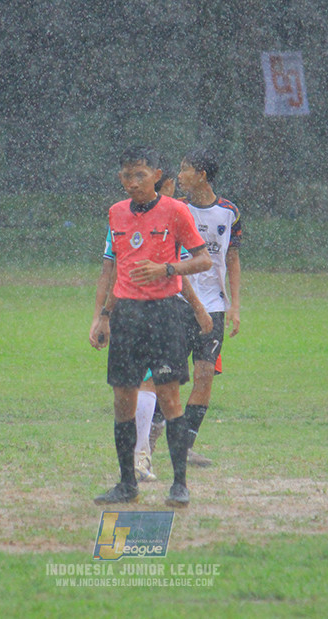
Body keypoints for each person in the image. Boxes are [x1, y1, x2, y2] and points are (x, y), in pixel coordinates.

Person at [89, 145, 211, 507]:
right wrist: (105, 317)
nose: (132, 182)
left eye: (140, 174)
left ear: (158, 175)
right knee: (122, 400)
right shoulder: (115, 214)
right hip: (126, 314)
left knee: (169, 397)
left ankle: (179, 484)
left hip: (164, 314)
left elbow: (203, 260)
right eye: (126, 175)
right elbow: (118, 269)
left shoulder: (176, 211)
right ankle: (127, 483)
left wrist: (168, 269)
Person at [175, 147, 242, 467]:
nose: (179, 175)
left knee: (203, 376)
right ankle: (152, 436)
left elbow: (232, 258)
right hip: (178, 301)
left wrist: (235, 305)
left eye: (185, 169)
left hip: (214, 306)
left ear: (202, 176)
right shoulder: (176, 210)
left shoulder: (230, 212)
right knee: (168, 375)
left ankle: (185, 447)